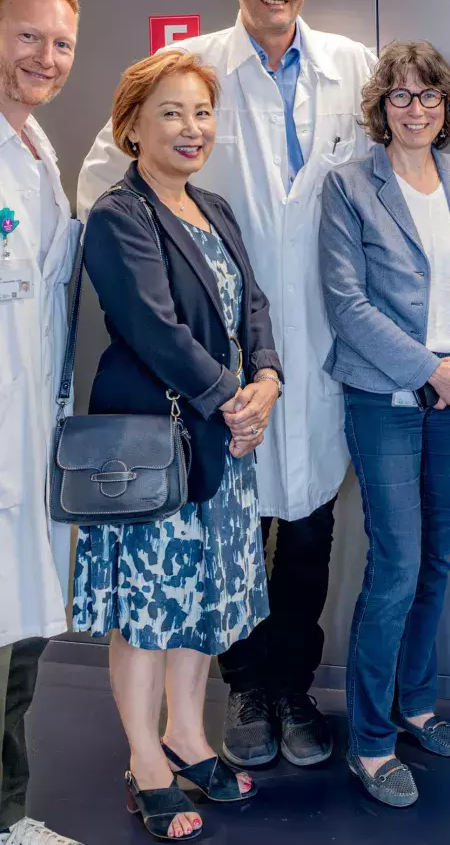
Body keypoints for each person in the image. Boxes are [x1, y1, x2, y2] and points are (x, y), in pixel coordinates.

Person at [76, 0, 377, 770]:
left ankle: (293, 686)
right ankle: (244, 687)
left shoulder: (353, 67)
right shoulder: (193, 66)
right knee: (233, 532)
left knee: (310, 526)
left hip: (309, 343)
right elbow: (103, 182)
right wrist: (153, 277)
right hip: (214, 357)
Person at [72, 51, 281, 840]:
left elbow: (252, 305)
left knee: (201, 598)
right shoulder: (118, 215)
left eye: (201, 112)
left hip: (220, 441)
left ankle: (187, 738)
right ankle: (146, 763)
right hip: (154, 446)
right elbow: (151, 327)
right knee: (147, 608)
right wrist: (233, 398)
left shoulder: (213, 207)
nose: (192, 128)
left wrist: (268, 378)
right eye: (171, 112)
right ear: (131, 128)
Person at [319, 40, 450, 807]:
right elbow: (347, 304)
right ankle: (370, 741)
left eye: (428, 96)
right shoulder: (349, 186)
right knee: (394, 567)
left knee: (436, 563)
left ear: (445, 106)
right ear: (381, 106)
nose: (416, 109)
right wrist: (430, 370)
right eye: (401, 96)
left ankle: (416, 703)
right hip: (385, 399)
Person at [0, 0, 84, 845]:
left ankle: (9, 813)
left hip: (28, 431)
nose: (46, 57)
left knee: (22, 629)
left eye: (61, 43)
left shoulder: (36, 149)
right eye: (28, 36)